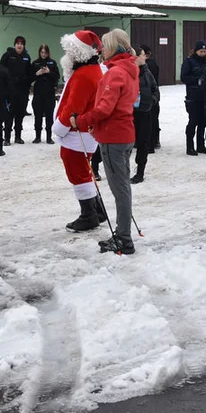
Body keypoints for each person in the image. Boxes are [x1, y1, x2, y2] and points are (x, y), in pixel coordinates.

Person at [72, 29, 139, 255]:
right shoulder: (130, 69)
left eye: (106, 46)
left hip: (113, 136)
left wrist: (81, 120)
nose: (102, 50)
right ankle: (123, 232)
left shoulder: (115, 72)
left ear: (114, 47)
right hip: (124, 133)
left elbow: (104, 109)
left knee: (119, 189)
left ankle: (123, 237)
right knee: (122, 187)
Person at [53, 31, 107, 232]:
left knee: (78, 173)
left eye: (70, 51)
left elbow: (73, 108)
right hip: (81, 132)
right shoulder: (88, 70)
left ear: (79, 52)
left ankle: (89, 215)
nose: (67, 54)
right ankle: (97, 210)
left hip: (77, 133)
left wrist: (59, 126)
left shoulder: (84, 75)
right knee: (84, 171)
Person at [132, 45, 160, 182]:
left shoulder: (147, 72)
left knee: (143, 144)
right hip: (129, 114)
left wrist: (151, 101)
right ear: (136, 57)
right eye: (143, 55)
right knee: (126, 144)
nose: (145, 57)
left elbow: (155, 89)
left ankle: (140, 172)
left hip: (145, 112)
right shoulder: (128, 73)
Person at [0, 36, 34, 145]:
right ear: (15, 45)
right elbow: (1, 71)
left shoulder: (26, 57)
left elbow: (29, 73)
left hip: (22, 91)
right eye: (18, 43)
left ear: (24, 46)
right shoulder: (7, 56)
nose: (19, 45)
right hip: (10, 91)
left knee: (20, 114)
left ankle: (18, 137)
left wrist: (27, 83)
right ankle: (7, 138)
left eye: (21, 44)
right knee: (9, 115)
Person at [181, 40, 206, 155]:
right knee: (193, 121)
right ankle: (190, 146)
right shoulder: (189, 62)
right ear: (196, 51)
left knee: (203, 122)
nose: (203, 53)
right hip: (193, 97)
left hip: (205, 97)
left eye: (204, 51)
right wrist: (197, 80)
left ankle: (200, 145)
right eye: (201, 51)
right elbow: (184, 77)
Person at [30, 44, 60, 144]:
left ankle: (49, 137)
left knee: (49, 116)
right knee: (37, 116)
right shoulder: (35, 63)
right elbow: (29, 78)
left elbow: (57, 77)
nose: (43, 54)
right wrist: (37, 74)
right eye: (42, 52)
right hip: (38, 93)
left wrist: (49, 72)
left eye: (45, 52)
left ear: (48, 53)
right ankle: (37, 136)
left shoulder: (52, 62)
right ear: (39, 52)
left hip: (49, 94)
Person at [143, 46, 162, 150]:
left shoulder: (147, 66)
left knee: (149, 120)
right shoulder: (154, 64)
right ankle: (155, 140)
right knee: (154, 119)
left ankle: (150, 142)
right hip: (154, 96)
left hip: (148, 96)